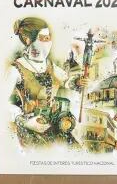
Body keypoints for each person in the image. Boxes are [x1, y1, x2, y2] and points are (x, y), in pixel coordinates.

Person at [5, 17, 79, 148]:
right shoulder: (16, 69)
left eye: (48, 37)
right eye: (43, 38)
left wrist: (77, 82)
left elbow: (66, 81)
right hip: (31, 129)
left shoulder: (50, 65)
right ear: (28, 39)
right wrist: (24, 121)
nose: (48, 42)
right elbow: (2, 103)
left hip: (55, 125)